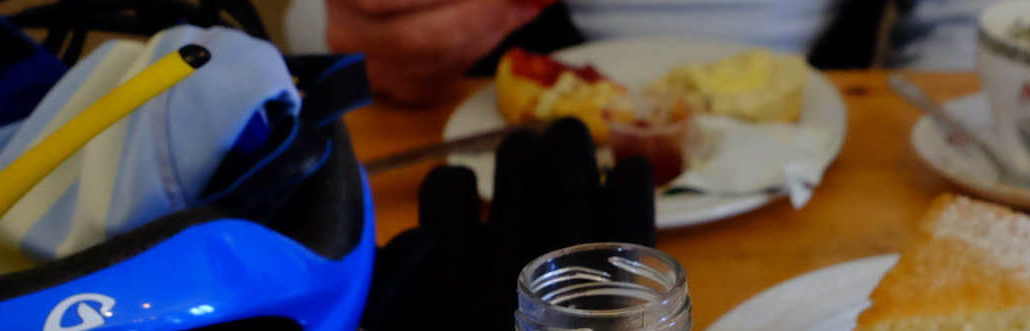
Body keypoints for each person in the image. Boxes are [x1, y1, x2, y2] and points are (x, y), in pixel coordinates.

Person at [305, 0, 989, 104]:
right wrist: (374, 44)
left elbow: (968, 28)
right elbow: (313, 26)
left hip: (826, 166)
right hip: (509, 169)